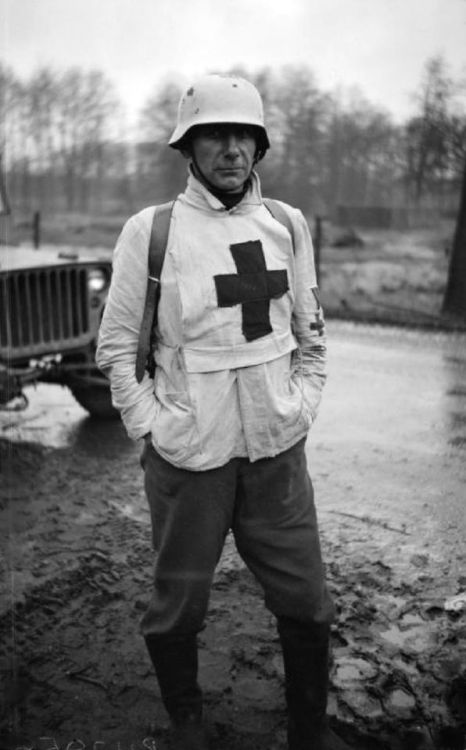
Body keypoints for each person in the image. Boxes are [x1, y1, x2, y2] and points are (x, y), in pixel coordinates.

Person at [96, 74, 351, 750]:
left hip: (276, 453)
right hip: (189, 458)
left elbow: (311, 333)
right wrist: (152, 426)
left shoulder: (287, 226)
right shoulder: (151, 232)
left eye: (244, 135)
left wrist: (300, 407)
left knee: (307, 601)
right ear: (189, 146)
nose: (231, 149)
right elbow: (118, 351)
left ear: (260, 146)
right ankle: (186, 723)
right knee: (177, 605)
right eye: (215, 135)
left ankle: (307, 730)